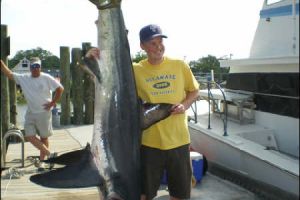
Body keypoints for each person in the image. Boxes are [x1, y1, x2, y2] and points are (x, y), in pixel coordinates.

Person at [86, 24, 199, 200]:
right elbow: (107, 80)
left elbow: (194, 91)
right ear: (142, 46)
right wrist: (94, 58)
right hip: (148, 144)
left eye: (160, 41)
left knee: (180, 194)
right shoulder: (135, 70)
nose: (158, 46)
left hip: (179, 141)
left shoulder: (180, 65)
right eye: (152, 43)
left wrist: (185, 105)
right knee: (144, 195)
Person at [0, 58, 64, 169]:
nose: (35, 68)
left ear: (40, 67)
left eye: (37, 66)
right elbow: (9, 74)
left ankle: (43, 162)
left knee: (44, 137)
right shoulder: (24, 78)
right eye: (33, 66)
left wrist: (52, 103)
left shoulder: (46, 77)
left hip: (44, 112)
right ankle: (50, 154)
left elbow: (60, 89)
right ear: (30, 68)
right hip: (30, 112)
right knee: (29, 136)